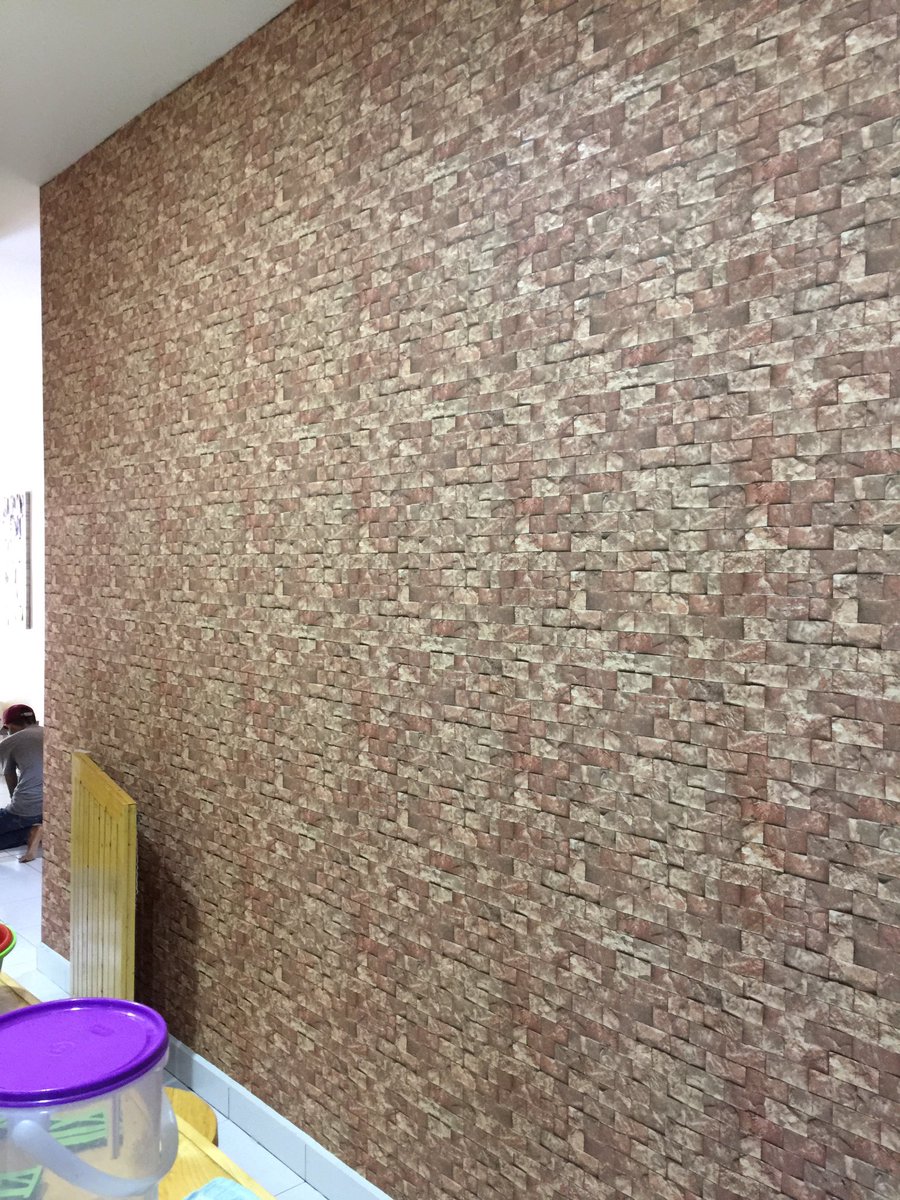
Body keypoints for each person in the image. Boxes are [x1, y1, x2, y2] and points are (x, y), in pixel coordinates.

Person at [0, 703, 44, 861]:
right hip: (51, 809)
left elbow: (9, 774)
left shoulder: (10, 741)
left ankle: (30, 830)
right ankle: (37, 831)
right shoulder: (50, 732)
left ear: (10, 725)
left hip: (28, 808)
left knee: (15, 817)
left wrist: (14, 804)